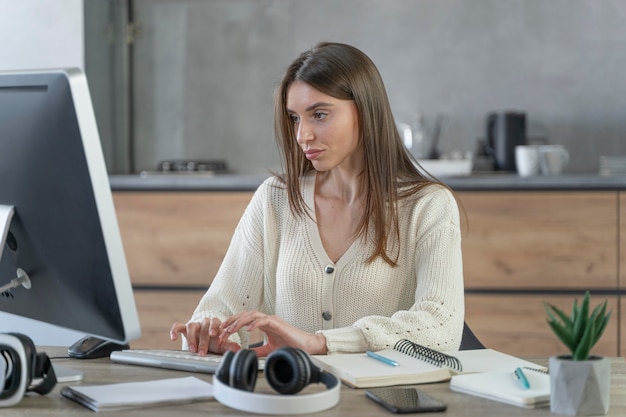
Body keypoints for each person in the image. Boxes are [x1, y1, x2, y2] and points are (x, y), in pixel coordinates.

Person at [170, 42, 464, 357]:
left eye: (319, 115)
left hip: (383, 405)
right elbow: (221, 305)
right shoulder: (275, 199)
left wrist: (321, 343)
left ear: (365, 111)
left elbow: (441, 328)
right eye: (295, 118)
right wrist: (207, 331)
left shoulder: (428, 205)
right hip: (287, 402)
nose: (302, 135)